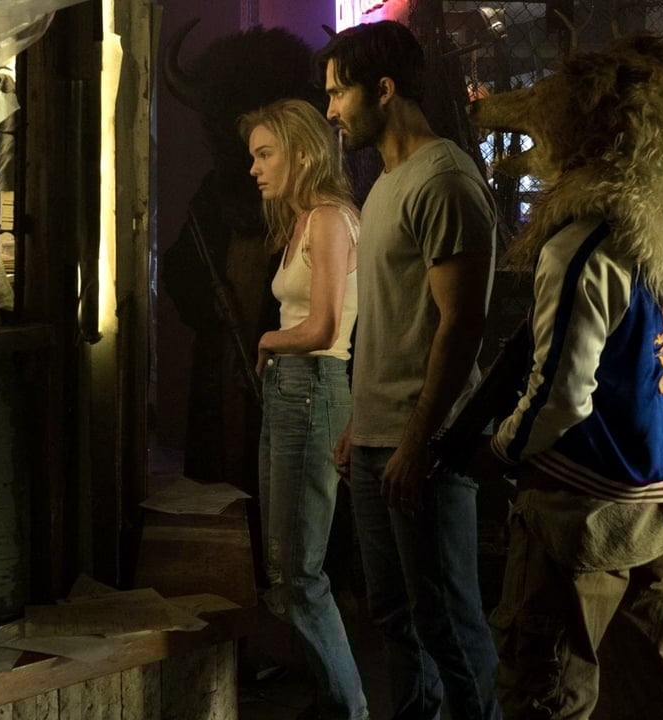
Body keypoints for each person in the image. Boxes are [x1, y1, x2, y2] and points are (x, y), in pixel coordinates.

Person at [467, 36, 663, 719]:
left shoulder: (585, 244)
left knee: (548, 692)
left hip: (588, 506)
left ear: (581, 130)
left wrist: (500, 447)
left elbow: (560, 396)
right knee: (662, 691)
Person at [318, 21, 501, 720]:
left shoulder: (443, 180)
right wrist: (361, 423)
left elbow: (461, 325)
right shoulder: (388, 184)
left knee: (447, 622)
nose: (332, 110)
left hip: (423, 445)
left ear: (385, 90)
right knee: (396, 616)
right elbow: (391, 321)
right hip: (379, 439)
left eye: (340, 93)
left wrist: (418, 440)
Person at [240, 98, 367, 720]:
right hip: (291, 390)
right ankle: (332, 699)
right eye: (254, 156)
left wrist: (268, 339)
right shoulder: (302, 221)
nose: (255, 168)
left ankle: (349, 708)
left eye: (266, 154)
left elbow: (323, 328)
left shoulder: (330, 219)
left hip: (312, 386)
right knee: (284, 569)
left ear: (302, 153)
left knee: (298, 574)